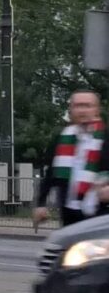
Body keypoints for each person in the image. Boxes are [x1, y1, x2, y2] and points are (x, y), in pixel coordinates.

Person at [34, 90, 107, 229]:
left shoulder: (105, 137)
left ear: (97, 110)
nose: (82, 110)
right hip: (69, 213)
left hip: (101, 215)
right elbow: (51, 173)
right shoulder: (62, 138)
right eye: (78, 105)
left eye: (87, 105)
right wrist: (41, 204)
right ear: (70, 109)